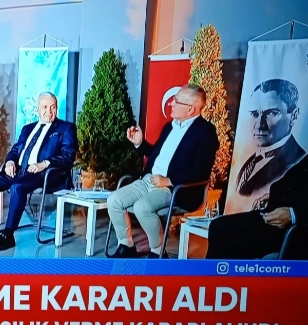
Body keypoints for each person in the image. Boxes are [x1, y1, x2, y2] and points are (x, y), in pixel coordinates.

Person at [107, 84, 219, 259]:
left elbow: (201, 172)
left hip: (174, 188)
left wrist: (168, 180)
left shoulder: (206, 132)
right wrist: (140, 143)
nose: (171, 104)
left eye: (177, 101)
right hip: (149, 180)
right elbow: (155, 155)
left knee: (142, 207)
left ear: (191, 109)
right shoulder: (169, 127)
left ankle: (158, 251)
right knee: (114, 200)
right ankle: (126, 245)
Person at [0, 92, 76, 251]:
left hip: (44, 173)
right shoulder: (28, 128)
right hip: (20, 170)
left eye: (53, 107)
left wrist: (44, 163)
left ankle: (8, 235)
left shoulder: (66, 128)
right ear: (37, 109)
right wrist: (10, 161)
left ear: (57, 108)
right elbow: (15, 150)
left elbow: (68, 156)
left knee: (17, 187)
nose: (49, 111)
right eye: (45, 107)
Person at [207, 156, 307, 260]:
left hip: (295, 230)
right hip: (275, 213)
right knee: (218, 226)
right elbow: (284, 184)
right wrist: (272, 197)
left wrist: (293, 214)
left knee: (222, 231)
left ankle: (219, 270)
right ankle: (214, 270)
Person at [235, 79, 305, 197]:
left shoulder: (298, 163)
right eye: (254, 114)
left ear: (294, 116)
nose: (259, 125)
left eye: (271, 113)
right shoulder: (248, 161)